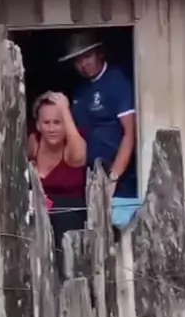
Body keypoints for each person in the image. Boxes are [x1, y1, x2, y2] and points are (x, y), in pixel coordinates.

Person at [59, 31, 141, 230]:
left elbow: (130, 133)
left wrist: (113, 178)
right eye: (77, 60)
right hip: (89, 183)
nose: (83, 64)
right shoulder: (80, 91)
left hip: (121, 187)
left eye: (87, 56)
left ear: (100, 53)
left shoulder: (117, 82)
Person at [28, 91, 87, 250]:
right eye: (46, 123)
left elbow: (80, 157)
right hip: (38, 226)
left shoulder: (73, 146)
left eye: (58, 122)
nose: (52, 128)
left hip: (70, 231)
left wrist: (64, 110)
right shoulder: (33, 143)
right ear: (38, 125)